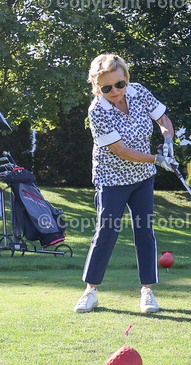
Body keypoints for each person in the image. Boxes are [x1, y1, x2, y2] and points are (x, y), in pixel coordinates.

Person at [74, 54, 178, 314]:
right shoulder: (97, 110)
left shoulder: (139, 92)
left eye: (119, 85)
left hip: (142, 177)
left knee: (145, 231)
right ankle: (91, 292)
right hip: (111, 179)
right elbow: (121, 150)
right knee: (106, 232)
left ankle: (147, 292)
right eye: (106, 88)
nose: (115, 92)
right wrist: (157, 159)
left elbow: (163, 119)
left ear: (126, 79)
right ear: (97, 87)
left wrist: (168, 141)